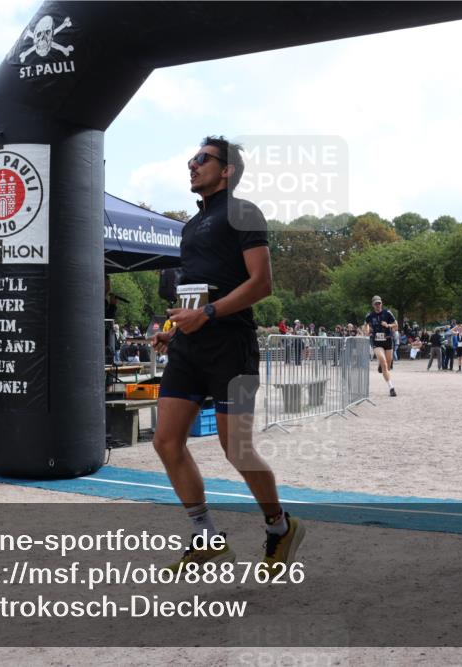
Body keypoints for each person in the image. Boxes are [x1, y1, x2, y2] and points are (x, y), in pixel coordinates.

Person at [149, 135, 303, 572]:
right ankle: (206, 535)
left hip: (231, 343)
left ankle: (279, 527)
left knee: (236, 448)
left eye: (202, 159)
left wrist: (211, 313)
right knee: (165, 441)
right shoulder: (189, 227)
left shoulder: (243, 212)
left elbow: (261, 283)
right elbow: (197, 290)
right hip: (190, 345)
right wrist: (176, 329)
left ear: (228, 170)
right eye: (192, 159)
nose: (191, 165)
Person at [365, 295, 397, 396]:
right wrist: (367, 331)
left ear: (381, 304)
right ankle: (391, 387)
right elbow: (366, 325)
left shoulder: (387, 313)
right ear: (373, 305)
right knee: (383, 362)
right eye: (376, 304)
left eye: (379, 303)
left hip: (387, 340)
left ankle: (382, 366)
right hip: (377, 342)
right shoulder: (370, 315)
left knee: (387, 365)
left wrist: (388, 325)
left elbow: (396, 324)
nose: (378, 305)